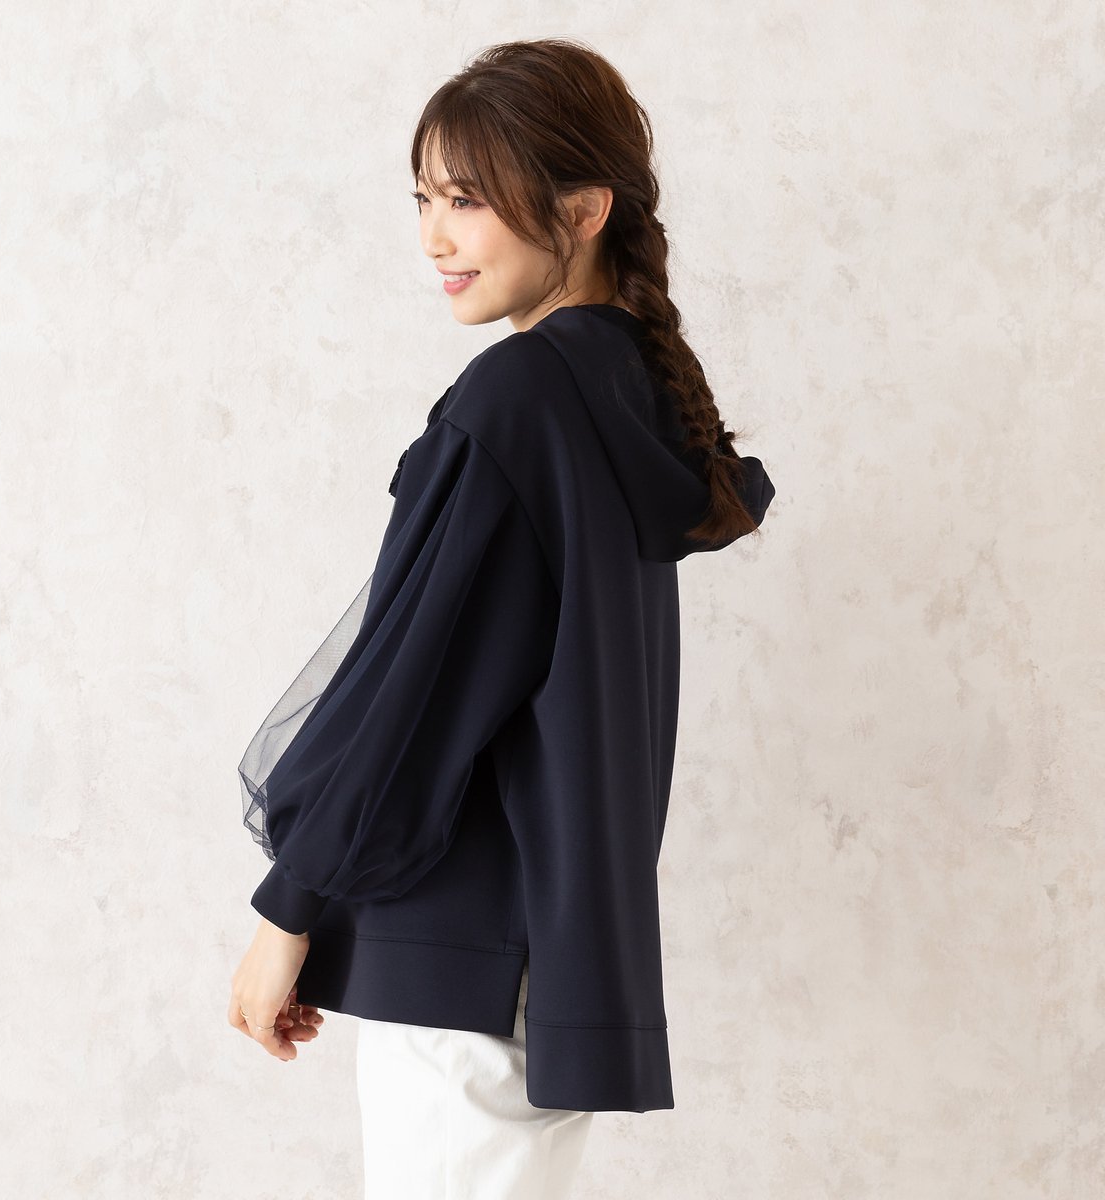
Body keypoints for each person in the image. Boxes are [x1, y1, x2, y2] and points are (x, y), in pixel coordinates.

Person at [228, 36, 776, 1200]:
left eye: (467, 200)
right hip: (534, 960)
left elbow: (407, 693)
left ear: (584, 208)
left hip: (462, 970)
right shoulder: (624, 392)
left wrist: (288, 913)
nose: (435, 238)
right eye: (424, 200)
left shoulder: (524, 397)